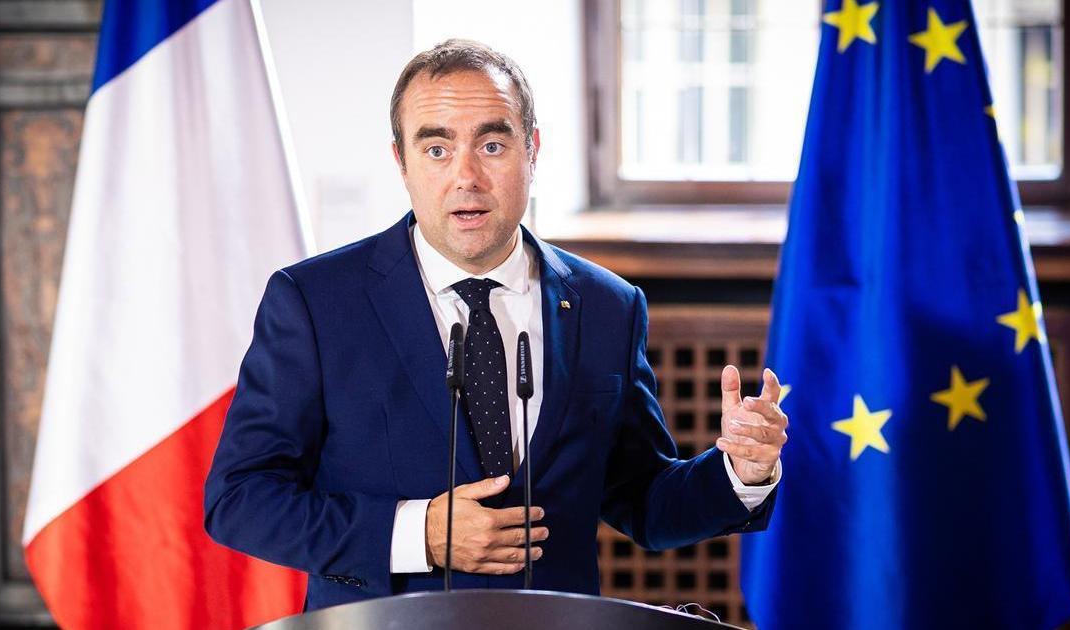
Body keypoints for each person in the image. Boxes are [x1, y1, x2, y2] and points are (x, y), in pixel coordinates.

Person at [204, 39, 788, 611]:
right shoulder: (315, 302)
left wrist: (741, 471)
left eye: (491, 145)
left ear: (532, 150)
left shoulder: (607, 305)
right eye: (437, 149)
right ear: (401, 162)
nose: (467, 176)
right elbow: (240, 499)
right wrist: (417, 533)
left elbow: (645, 501)